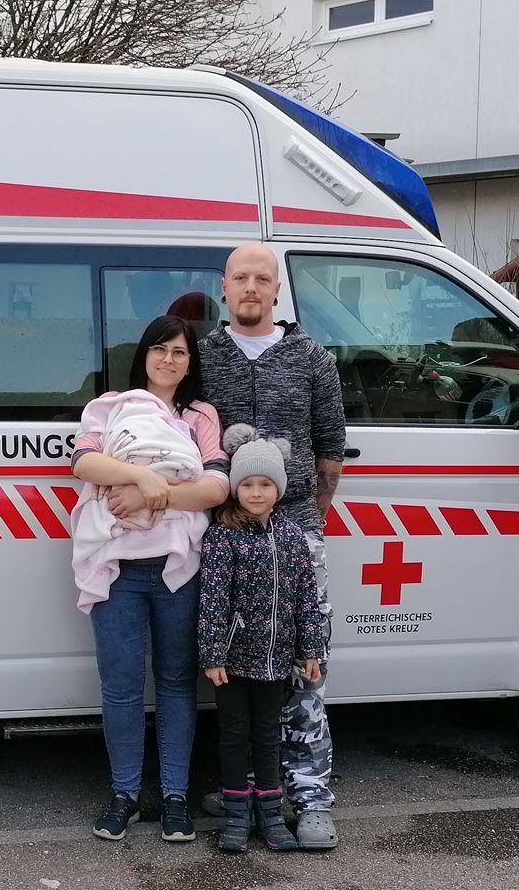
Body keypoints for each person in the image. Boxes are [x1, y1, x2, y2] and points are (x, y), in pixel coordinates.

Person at [121, 243, 345, 849]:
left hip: (295, 528)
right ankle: (248, 786)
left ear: (279, 290)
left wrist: (307, 526)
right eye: (241, 277)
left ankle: (311, 795)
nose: (251, 287)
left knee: (303, 668)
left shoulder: (313, 359)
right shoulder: (203, 355)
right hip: (217, 533)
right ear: (224, 287)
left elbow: (329, 451)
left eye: (263, 279)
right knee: (230, 669)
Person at [71, 315, 228, 842]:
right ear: (144, 355)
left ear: (191, 363)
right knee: (119, 687)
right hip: (117, 569)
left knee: (178, 684)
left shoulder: (202, 416)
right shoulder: (116, 406)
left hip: (176, 570)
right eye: (160, 349)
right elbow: (85, 463)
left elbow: (216, 488)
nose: (169, 360)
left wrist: (146, 495)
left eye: (180, 353)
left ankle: (177, 797)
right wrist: (139, 474)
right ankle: (125, 795)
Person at [199, 430, 328, 854]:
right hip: (233, 662)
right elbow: (213, 599)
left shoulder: (292, 537)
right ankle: (237, 814)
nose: (256, 492)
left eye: (265, 484)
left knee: (269, 734)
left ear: (279, 490)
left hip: (277, 660)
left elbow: (308, 598)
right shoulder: (222, 536)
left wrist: (310, 650)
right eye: (248, 484)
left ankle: (271, 815)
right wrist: (213, 653)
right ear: (235, 488)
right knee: (235, 734)